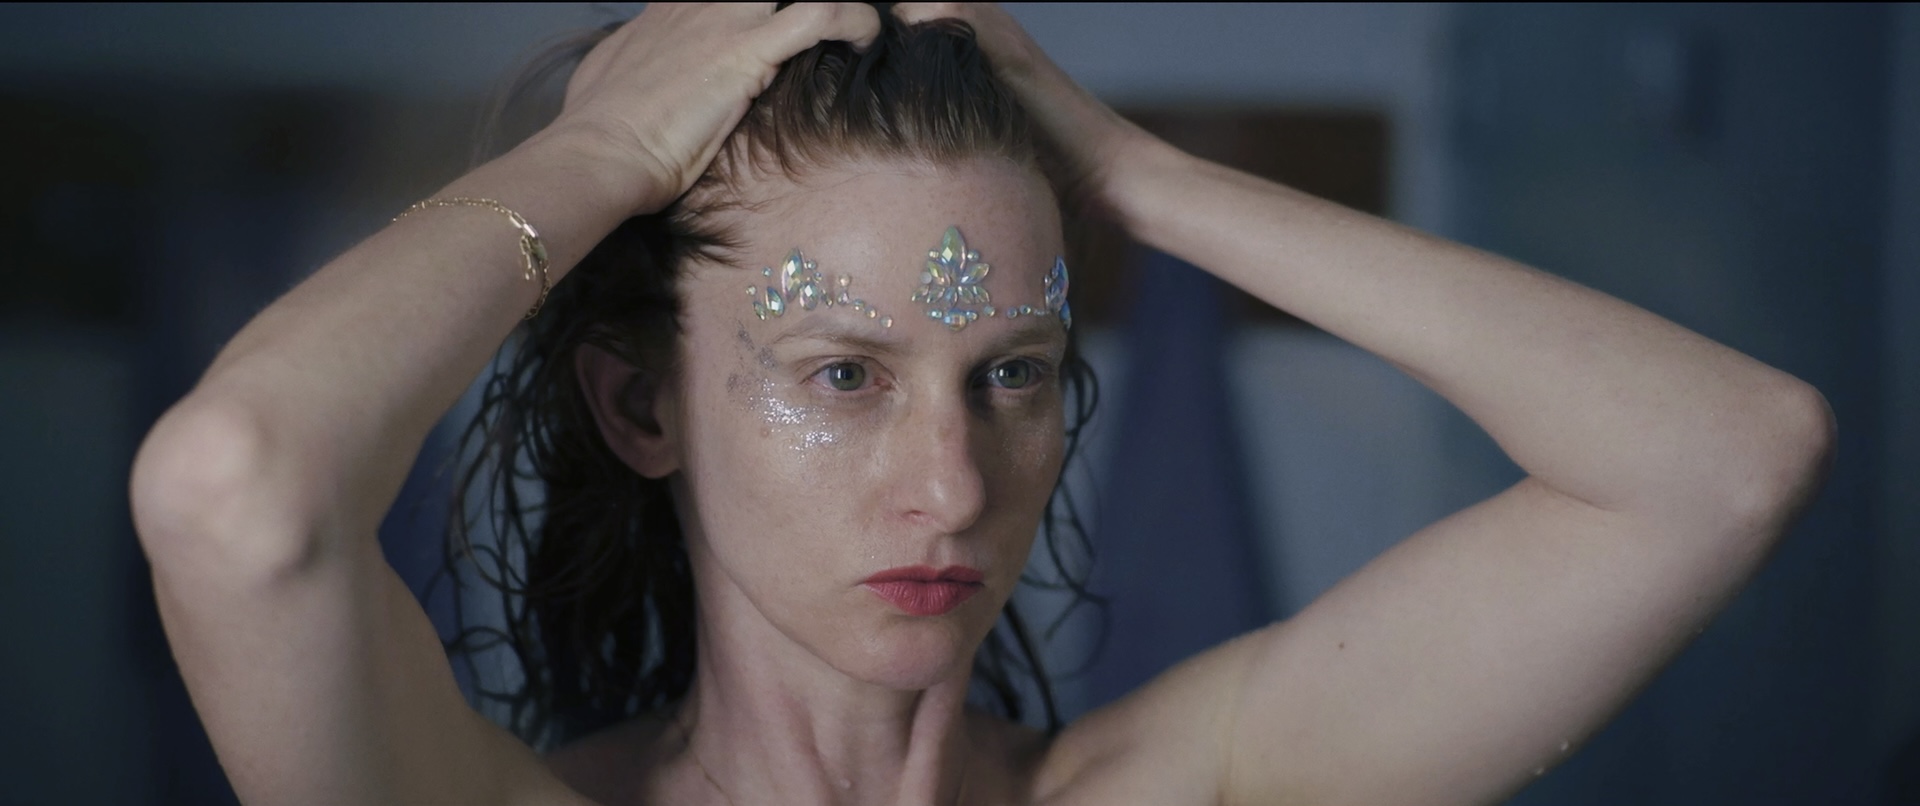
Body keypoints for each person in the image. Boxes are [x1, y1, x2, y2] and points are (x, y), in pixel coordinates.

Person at [127, 4, 1835, 805]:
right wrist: (597, 157)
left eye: (1009, 372)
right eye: (845, 376)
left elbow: (1724, 458)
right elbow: (231, 488)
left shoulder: (1198, 780)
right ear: (643, 405)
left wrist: (1137, 175)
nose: (951, 483)